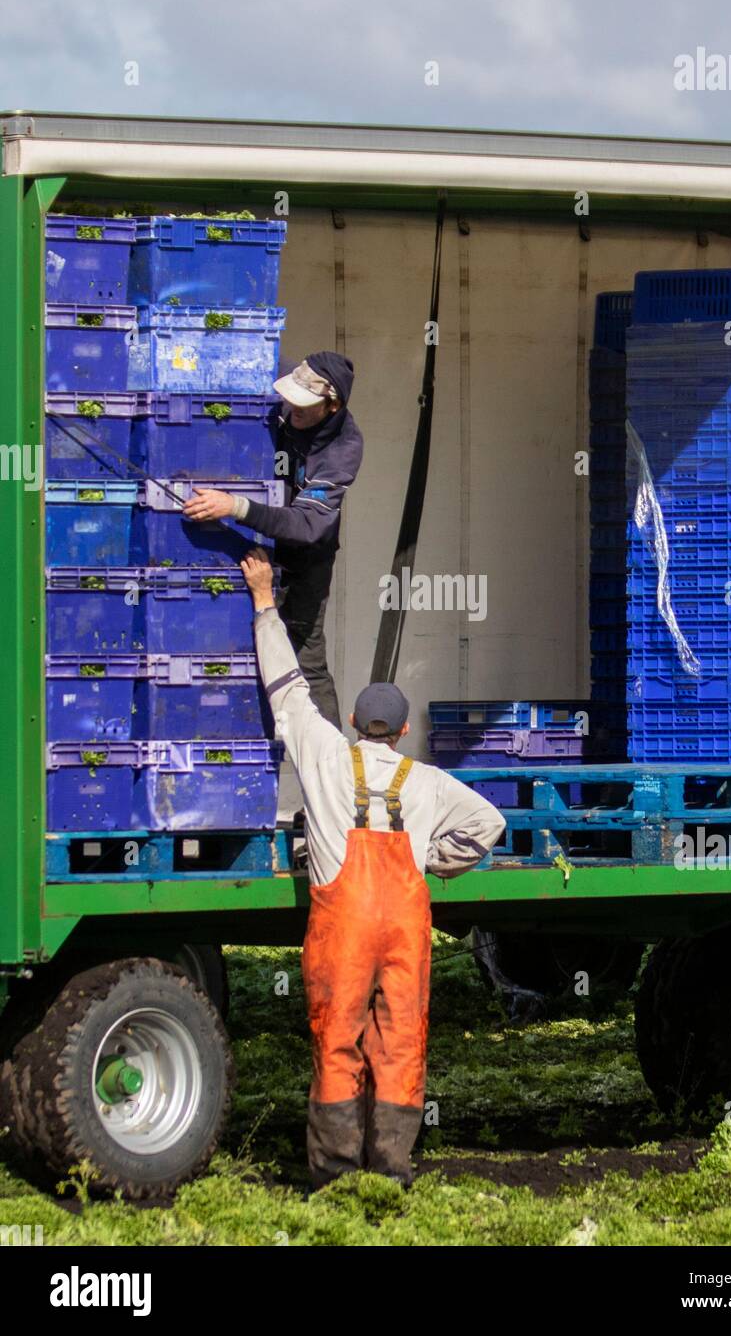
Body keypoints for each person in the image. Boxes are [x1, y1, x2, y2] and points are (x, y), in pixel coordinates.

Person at [240, 547, 506, 1189]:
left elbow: (286, 688)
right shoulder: (431, 782)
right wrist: (436, 865)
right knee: (401, 1041)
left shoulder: (327, 754)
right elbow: (490, 826)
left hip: (344, 923)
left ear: (355, 722)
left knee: (337, 1041)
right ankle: (390, 1168)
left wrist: (264, 602)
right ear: (406, 729)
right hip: (405, 925)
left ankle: (332, 1171)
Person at [182, 351, 362, 732]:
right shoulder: (278, 398)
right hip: (246, 534)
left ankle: (335, 768)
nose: (292, 405)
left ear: (333, 405)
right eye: (290, 395)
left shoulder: (343, 450)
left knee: (306, 658)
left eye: (304, 402)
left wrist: (235, 505)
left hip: (304, 558)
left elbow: (307, 523)